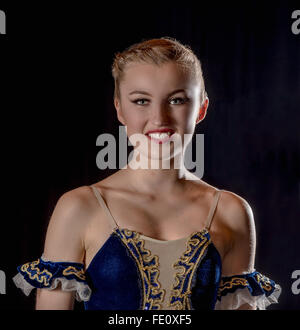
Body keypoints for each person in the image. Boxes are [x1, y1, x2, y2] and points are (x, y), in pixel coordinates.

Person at [13, 37, 281, 310]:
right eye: (141, 101)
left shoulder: (230, 211)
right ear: (119, 109)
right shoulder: (80, 207)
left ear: (201, 109)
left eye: (176, 100)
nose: (159, 119)